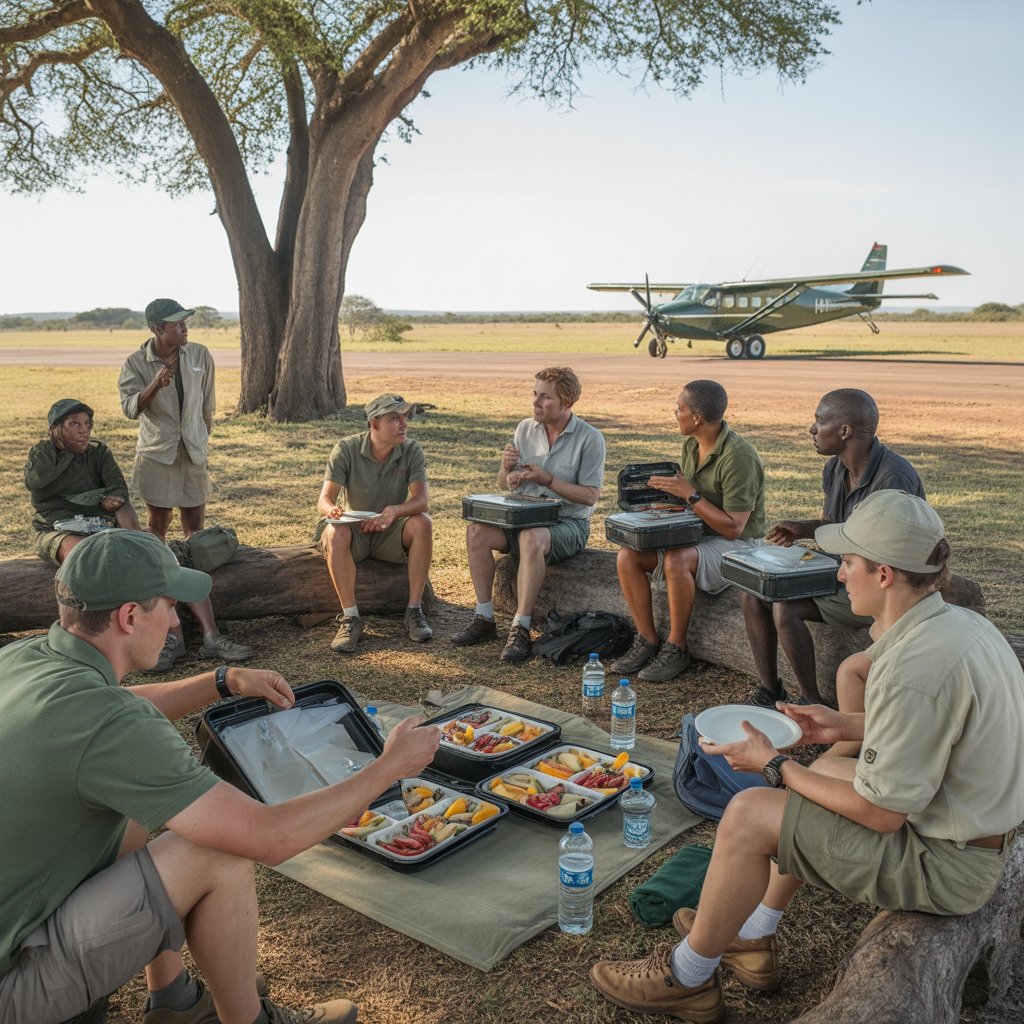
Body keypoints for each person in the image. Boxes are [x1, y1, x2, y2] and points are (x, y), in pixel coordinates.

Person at [589, 490, 1024, 1023]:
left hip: (947, 866)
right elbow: (941, 732)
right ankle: (753, 936)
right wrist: (843, 725)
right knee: (829, 769)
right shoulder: (956, 626)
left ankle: (687, 978)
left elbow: (883, 815)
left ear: (884, 574)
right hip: (967, 833)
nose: (840, 576)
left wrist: (777, 766)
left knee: (751, 812)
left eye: (847, 563)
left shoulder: (917, 669)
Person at [0, 529, 441, 1024]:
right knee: (219, 848)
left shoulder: (23, 659)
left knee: (136, 812)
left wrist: (222, 682)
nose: (173, 621)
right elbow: (267, 837)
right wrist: (389, 767)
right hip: (14, 989)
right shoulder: (110, 724)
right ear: (128, 617)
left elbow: (117, 707)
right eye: (167, 606)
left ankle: (174, 1001)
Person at [25, 398, 252, 673]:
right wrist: (73, 459)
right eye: (74, 425)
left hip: (101, 525)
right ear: (55, 429)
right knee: (83, 556)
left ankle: (210, 635)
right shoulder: (42, 454)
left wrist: (115, 503)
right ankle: (143, 638)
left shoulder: (99, 453)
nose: (84, 430)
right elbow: (39, 485)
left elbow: (118, 490)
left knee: (157, 553)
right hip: (56, 529)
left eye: (87, 424)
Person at [742, 388, 925, 705]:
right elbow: (833, 524)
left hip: (884, 584)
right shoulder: (836, 468)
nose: (812, 429)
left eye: (819, 420)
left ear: (844, 431)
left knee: (785, 605)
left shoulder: (893, 479)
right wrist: (803, 529)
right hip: (847, 569)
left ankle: (811, 703)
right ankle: (769, 690)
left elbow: (890, 555)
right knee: (756, 591)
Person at [119, 298, 251, 670]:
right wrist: (155, 385)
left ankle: (202, 616)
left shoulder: (198, 354)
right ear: (157, 329)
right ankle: (167, 621)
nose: (185, 329)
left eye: (185, 323)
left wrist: (202, 435)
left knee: (196, 532)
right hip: (158, 454)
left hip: (192, 450)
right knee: (157, 534)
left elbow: (207, 404)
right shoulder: (136, 363)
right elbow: (130, 408)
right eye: (177, 324)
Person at [610, 380, 766, 682]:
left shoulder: (739, 458)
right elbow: (691, 501)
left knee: (676, 559)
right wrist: (665, 505)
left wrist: (689, 495)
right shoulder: (692, 443)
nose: (674, 412)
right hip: (700, 534)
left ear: (696, 417)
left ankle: (677, 646)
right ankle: (647, 640)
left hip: (742, 546)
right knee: (628, 556)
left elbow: (735, 528)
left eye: (679, 408)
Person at [450, 366, 606, 662]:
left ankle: (520, 627)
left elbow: (589, 496)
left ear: (567, 402)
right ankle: (484, 618)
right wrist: (507, 471)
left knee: (531, 537)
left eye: (545, 397)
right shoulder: (525, 428)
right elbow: (505, 482)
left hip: (567, 522)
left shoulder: (590, 438)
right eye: (535, 395)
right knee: (476, 531)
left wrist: (549, 480)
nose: (536, 402)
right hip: (522, 515)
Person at [315, 394, 433, 653]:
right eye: (395, 418)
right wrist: (333, 511)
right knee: (335, 531)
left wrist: (393, 511)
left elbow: (422, 501)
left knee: (422, 523)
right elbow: (324, 499)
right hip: (354, 531)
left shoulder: (411, 449)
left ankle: (414, 611)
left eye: (405, 418)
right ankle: (350, 617)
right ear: (374, 423)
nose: (404, 424)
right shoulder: (346, 448)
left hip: (389, 532)